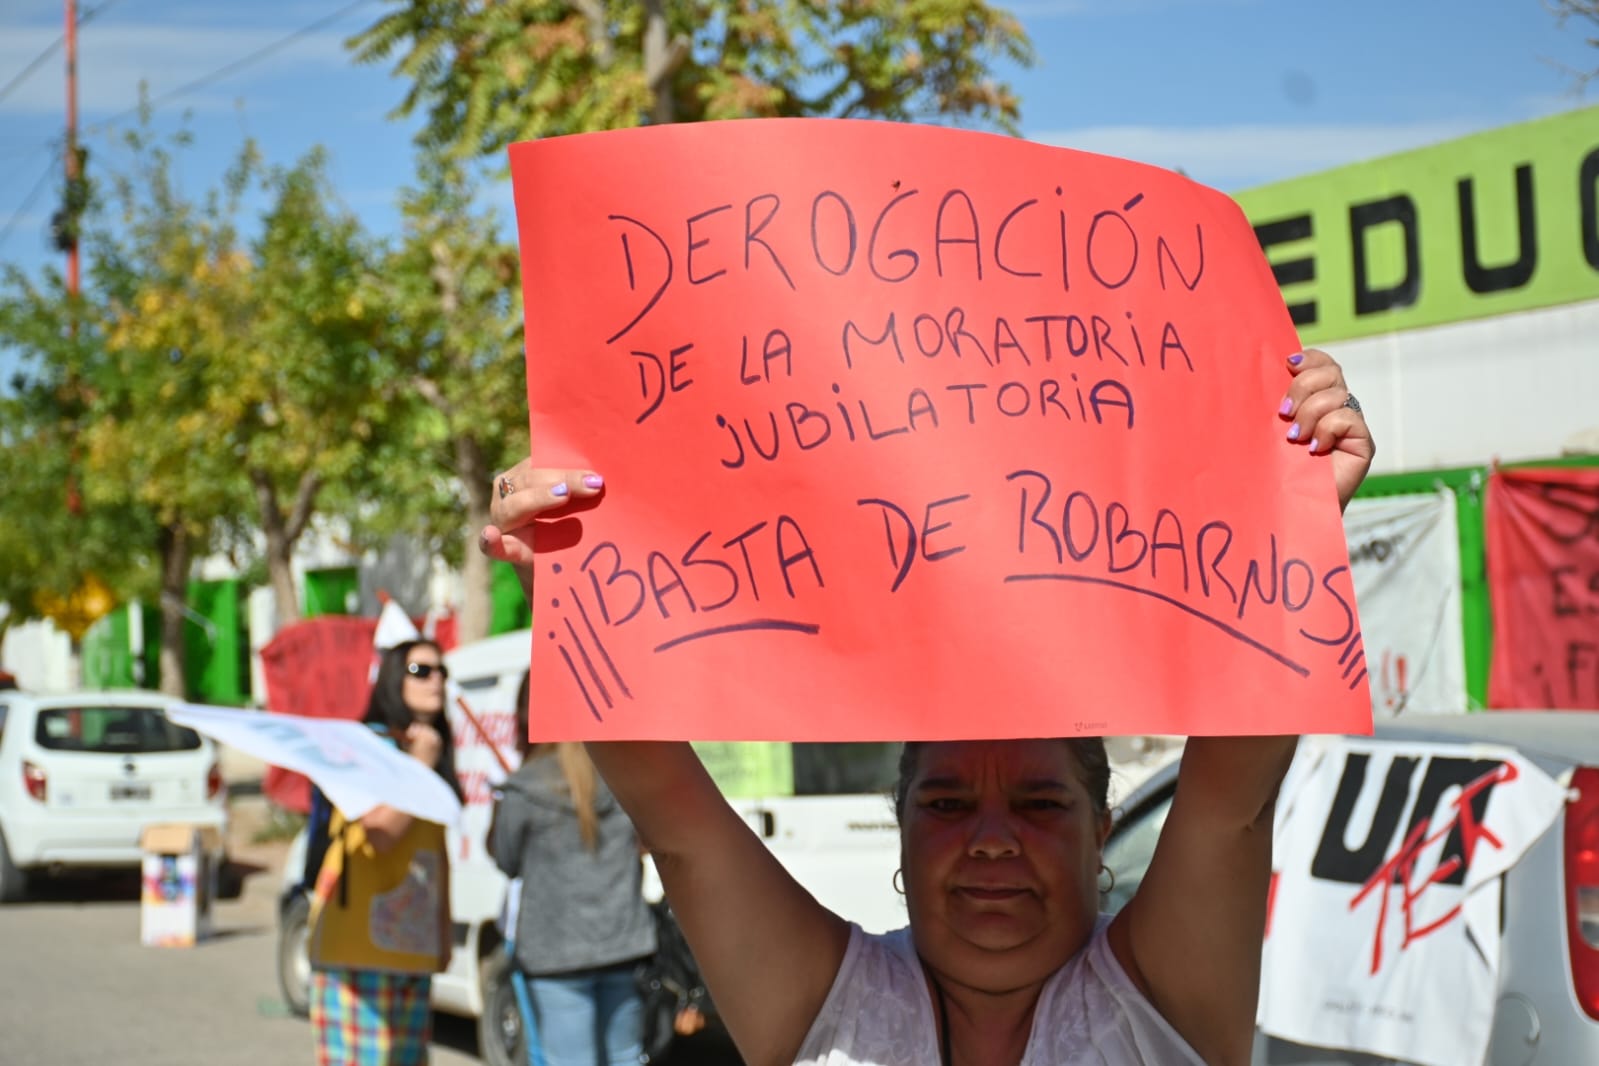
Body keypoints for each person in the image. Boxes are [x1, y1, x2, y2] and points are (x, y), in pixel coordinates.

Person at [477, 349, 1375, 1066]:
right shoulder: (827, 1004)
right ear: (898, 824)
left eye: (1038, 802)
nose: (991, 838)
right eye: (945, 803)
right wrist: (580, 572)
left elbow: (1231, 798)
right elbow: (679, 821)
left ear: (1101, 829)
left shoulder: (1161, 1003)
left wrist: (1297, 518)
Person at [488, 671, 658, 1066]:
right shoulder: (626, 778)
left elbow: (507, 861)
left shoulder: (524, 787)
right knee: (627, 1058)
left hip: (556, 953)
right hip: (623, 943)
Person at [307, 639, 463, 1066]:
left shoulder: (435, 750)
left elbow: (437, 852)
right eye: (422, 671)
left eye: (441, 671)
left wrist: (443, 933)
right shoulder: (366, 748)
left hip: (412, 945)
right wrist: (420, 766)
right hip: (358, 948)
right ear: (395, 680)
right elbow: (380, 834)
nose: (437, 681)